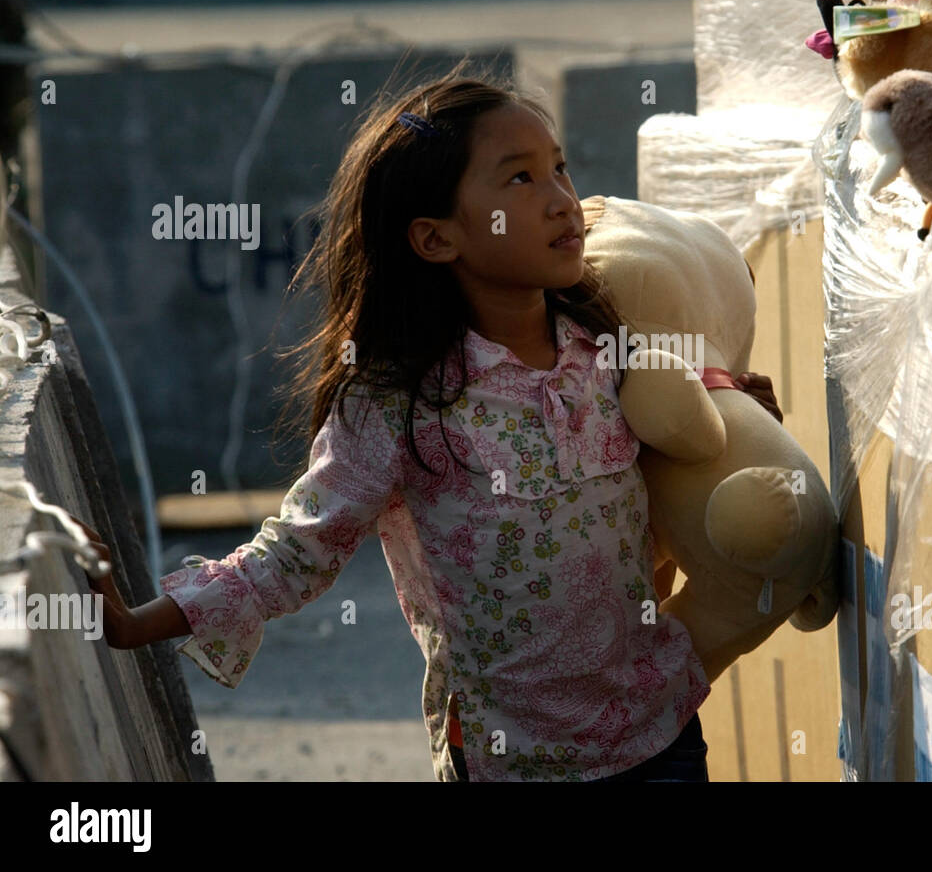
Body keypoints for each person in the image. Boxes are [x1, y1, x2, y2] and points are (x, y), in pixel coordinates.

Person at [73, 58, 785, 782]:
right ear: (435, 238)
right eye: (521, 179)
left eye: (560, 168)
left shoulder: (607, 347)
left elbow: (677, 437)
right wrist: (137, 621)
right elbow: (294, 553)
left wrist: (731, 400)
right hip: (512, 759)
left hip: (658, 736)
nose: (563, 199)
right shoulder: (399, 401)